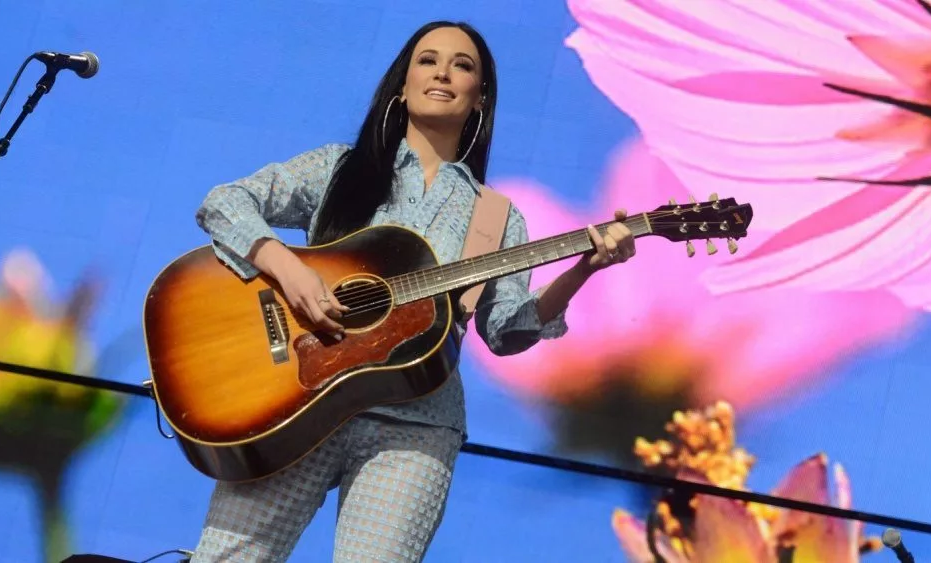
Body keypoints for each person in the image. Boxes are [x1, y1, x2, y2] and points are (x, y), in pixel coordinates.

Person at [189, 20, 636, 563]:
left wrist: (583, 269)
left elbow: (506, 333)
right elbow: (225, 202)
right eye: (428, 60)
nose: (443, 72)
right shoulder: (337, 168)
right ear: (402, 85)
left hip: (415, 428)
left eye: (462, 65)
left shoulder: (495, 217)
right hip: (295, 404)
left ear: (480, 98)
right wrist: (288, 269)